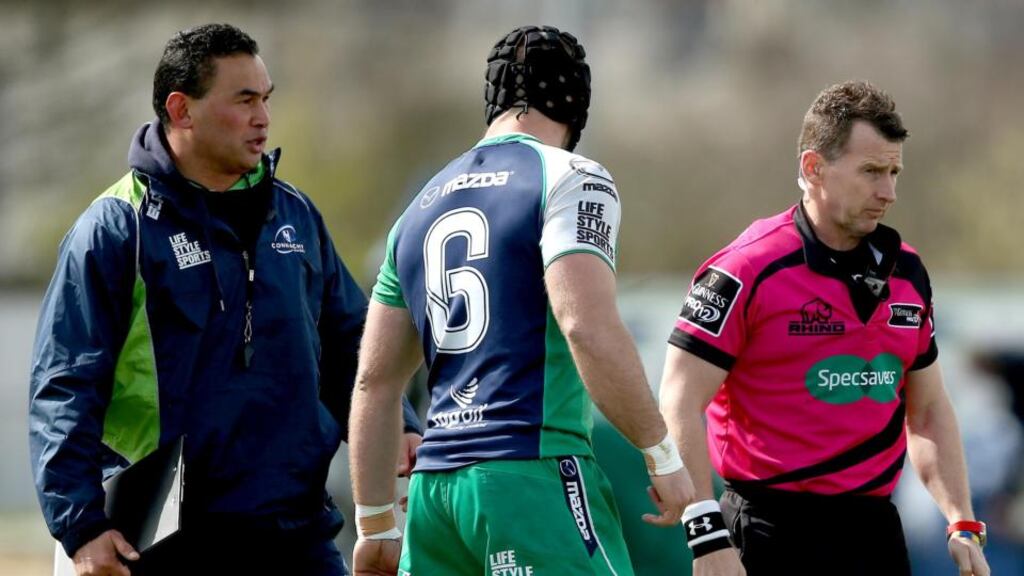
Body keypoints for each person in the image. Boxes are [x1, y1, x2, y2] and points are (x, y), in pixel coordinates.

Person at [28, 23, 421, 576]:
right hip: (164, 536)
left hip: (295, 530)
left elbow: (348, 343)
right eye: (244, 100)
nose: (263, 117)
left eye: (266, 99)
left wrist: (397, 422)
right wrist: (80, 526)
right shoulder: (117, 228)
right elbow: (64, 386)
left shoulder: (296, 214)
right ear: (182, 110)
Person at [347, 25, 695, 576]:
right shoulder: (573, 176)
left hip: (437, 498)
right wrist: (661, 455)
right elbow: (585, 326)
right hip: (533, 477)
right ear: (577, 107)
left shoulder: (417, 206)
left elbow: (375, 380)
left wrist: (374, 524)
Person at [658, 80, 991, 576]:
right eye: (872, 171)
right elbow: (679, 399)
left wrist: (961, 520)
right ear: (814, 168)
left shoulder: (909, 274)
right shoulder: (746, 269)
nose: (889, 192)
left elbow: (927, 410)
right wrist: (705, 535)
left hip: (872, 533)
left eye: (895, 171)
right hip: (766, 532)